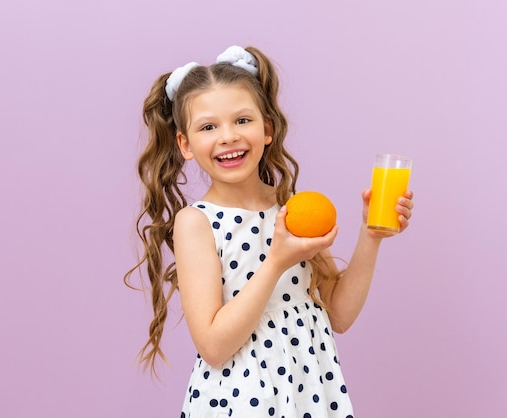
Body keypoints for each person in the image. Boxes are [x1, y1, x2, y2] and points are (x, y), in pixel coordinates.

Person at [125, 45, 414, 417]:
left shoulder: (290, 207)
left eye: (242, 120)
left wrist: (370, 235)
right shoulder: (196, 223)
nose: (228, 136)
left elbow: (339, 314)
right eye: (209, 127)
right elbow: (213, 346)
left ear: (267, 130)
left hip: (308, 393)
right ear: (186, 145)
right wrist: (276, 262)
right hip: (240, 400)